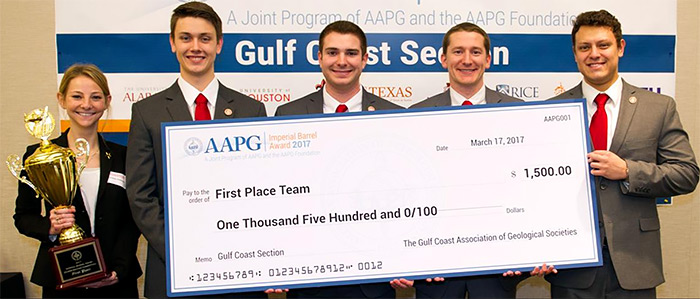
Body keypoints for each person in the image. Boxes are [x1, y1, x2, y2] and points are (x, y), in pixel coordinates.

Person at [545, 10, 698, 298]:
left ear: (621, 47)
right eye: (584, 47)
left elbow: (686, 174)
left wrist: (628, 170)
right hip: (573, 268)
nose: (594, 54)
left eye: (603, 45)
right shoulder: (551, 111)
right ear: (574, 54)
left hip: (635, 263)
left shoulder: (658, 107)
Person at [125, 2, 267, 298]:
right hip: (173, 268)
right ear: (172, 43)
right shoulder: (146, 112)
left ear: (219, 44)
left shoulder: (251, 110)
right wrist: (178, 249)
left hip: (239, 265)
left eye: (205, 38)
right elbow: (140, 195)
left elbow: (262, 188)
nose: (195, 47)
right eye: (186, 37)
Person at [388, 22, 533, 299]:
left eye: (476, 52)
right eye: (458, 52)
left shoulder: (519, 113)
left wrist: (527, 251)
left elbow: (528, 187)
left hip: (500, 268)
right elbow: (404, 192)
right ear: (443, 59)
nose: (467, 60)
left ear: (488, 60)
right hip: (435, 271)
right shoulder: (414, 116)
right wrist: (407, 259)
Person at [274, 20, 403, 298]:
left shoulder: (394, 117)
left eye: (351, 53)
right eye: (332, 53)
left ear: (365, 59)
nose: (341, 61)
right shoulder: (288, 115)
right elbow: (278, 197)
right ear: (319, 58)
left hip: (374, 280)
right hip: (308, 278)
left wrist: (408, 259)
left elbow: (407, 195)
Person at [14, 63, 142, 297]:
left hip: (115, 281)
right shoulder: (38, 156)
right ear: (61, 100)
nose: (86, 105)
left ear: (107, 101)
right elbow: (23, 217)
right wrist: (50, 227)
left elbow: (132, 220)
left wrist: (118, 270)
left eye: (95, 97)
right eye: (77, 96)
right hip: (61, 281)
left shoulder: (124, 156)